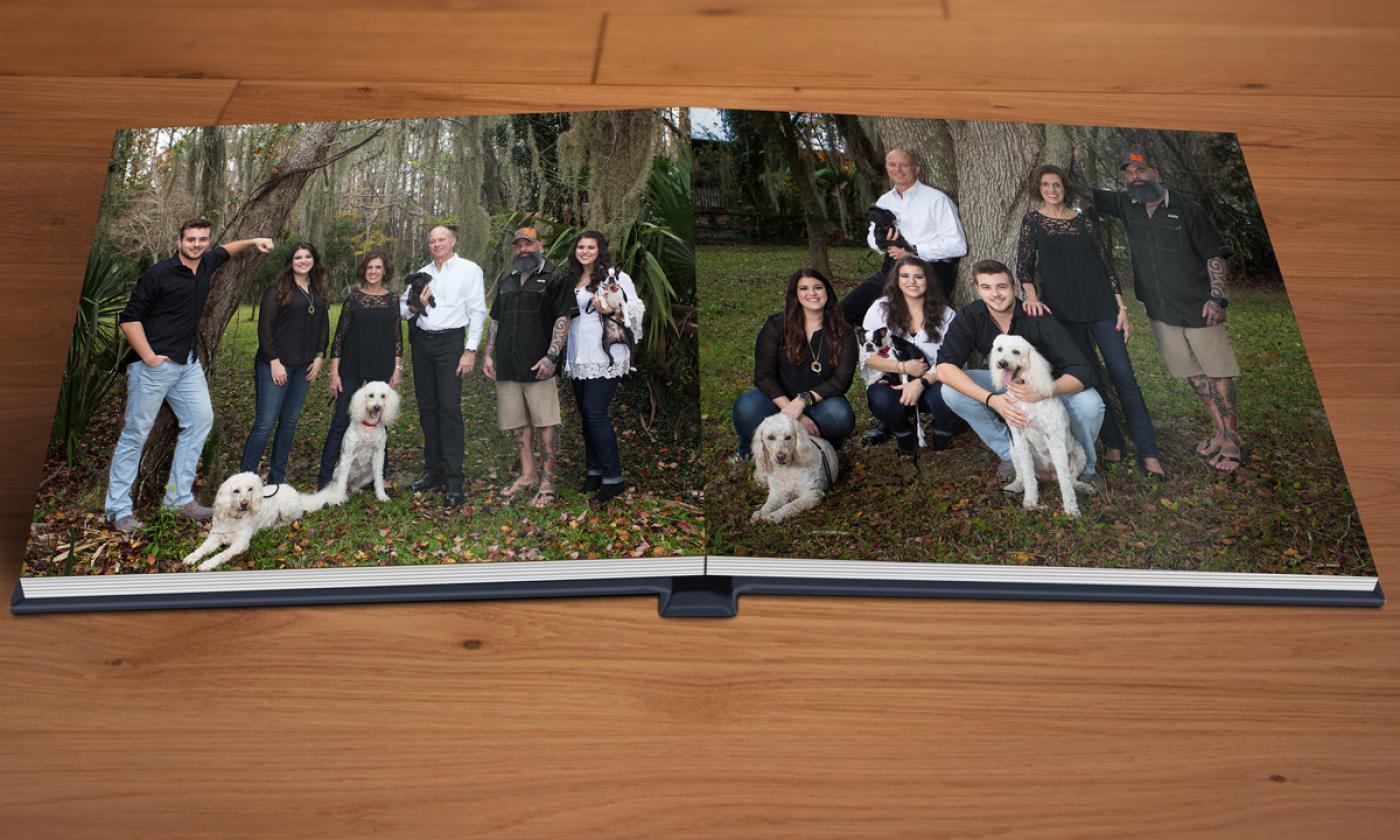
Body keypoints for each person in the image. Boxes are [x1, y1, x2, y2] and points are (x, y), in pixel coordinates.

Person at [104, 219, 275, 532]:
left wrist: (255, 240)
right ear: (180, 241)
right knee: (135, 435)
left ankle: (177, 499)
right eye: (190, 239)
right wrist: (149, 357)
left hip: (187, 365)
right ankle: (118, 509)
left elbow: (228, 250)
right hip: (152, 367)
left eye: (202, 239)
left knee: (199, 421)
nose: (196, 244)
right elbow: (130, 320)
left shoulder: (208, 262)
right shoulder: (158, 274)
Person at [1082, 148, 1244, 472]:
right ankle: (1218, 432)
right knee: (1195, 377)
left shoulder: (1187, 210)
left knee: (1217, 373)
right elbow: (1082, 191)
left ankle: (1233, 441)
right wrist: (1074, 155)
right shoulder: (1127, 205)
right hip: (1160, 312)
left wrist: (1217, 298)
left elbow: (1214, 255)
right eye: (1128, 172)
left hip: (1199, 309)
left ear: (1156, 172)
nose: (1134, 177)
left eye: (1140, 171)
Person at [1015, 163, 1167, 479]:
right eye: (1046, 185)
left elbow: (1107, 266)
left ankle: (1149, 452)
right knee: (1090, 377)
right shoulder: (1033, 222)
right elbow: (1024, 267)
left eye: (1057, 184)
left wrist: (1121, 308)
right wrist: (1030, 296)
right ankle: (1113, 441)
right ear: (1039, 189)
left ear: (1065, 188)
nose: (1052, 189)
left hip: (1101, 310)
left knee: (1124, 377)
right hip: (1062, 315)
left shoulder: (1084, 222)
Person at [935, 259, 1107, 492]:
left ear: (1014, 288)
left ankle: (1084, 470)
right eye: (986, 287)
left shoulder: (1036, 315)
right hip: (1004, 385)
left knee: (1091, 404)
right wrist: (991, 399)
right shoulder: (971, 316)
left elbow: (1082, 370)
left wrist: (1044, 390)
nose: (995, 294)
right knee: (951, 390)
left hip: (1048, 387)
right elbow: (944, 367)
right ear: (977, 289)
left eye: (1001, 286)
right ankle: (1012, 454)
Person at [839, 148, 968, 446]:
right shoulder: (884, 201)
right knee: (842, 313)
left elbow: (957, 244)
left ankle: (930, 399)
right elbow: (873, 237)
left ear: (917, 168)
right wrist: (886, 245)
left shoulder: (936, 200)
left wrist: (913, 250)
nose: (898, 170)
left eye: (904, 165)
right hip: (893, 269)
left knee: (919, 330)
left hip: (930, 271)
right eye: (892, 165)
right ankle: (883, 392)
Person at [482, 227, 578, 508]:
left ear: (540, 244)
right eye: (518, 245)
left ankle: (547, 483)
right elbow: (496, 319)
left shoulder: (556, 277)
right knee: (517, 423)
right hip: (507, 364)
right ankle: (527, 475)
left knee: (545, 423)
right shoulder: (508, 279)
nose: (523, 249)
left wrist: (551, 357)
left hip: (539, 365)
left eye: (529, 243)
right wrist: (488, 354)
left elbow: (563, 319)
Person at [400, 225, 487, 508]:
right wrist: (415, 306)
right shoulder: (422, 273)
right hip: (422, 344)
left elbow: (477, 310)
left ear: (453, 241)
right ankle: (432, 471)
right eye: (432, 241)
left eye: (442, 239)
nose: (436, 244)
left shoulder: (469, 270)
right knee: (427, 408)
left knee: (449, 410)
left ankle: (453, 479)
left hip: (451, 343)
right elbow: (403, 310)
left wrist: (470, 349)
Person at [732, 268, 857, 460]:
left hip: (820, 400)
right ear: (796, 295)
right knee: (747, 408)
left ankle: (823, 450)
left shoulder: (843, 331)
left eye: (818, 287)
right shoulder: (776, 325)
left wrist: (802, 401)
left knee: (839, 415)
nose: (812, 293)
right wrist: (793, 413)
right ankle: (747, 450)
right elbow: (764, 376)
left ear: (828, 292)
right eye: (804, 288)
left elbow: (841, 381)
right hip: (778, 399)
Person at [562, 231, 646, 508]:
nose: (584, 251)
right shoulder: (572, 277)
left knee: (596, 414)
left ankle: (614, 479)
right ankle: (594, 472)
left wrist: (609, 310)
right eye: (580, 247)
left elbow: (636, 310)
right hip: (578, 353)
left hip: (605, 352)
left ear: (601, 250)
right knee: (587, 416)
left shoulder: (614, 276)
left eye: (591, 247)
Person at [239, 242, 330, 485]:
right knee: (265, 423)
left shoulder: (317, 289)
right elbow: (265, 329)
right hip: (275, 365)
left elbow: (323, 325)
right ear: (291, 261)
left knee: (289, 423)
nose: (303, 261)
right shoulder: (277, 290)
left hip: (304, 367)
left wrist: (320, 356)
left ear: (314, 260)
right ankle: (244, 480)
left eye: (307, 256)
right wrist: (274, 361)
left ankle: (277, 480)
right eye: (298, 257)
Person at [860, 256, 958, 473]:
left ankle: (943, 433)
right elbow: (867, 356)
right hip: (894, 380)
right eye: (905, 276)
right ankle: (904, 434)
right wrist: (904, 369)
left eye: (918, 276)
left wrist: (920, 382)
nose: (911, 281)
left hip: (933, 380)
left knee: (950, 391)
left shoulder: (946, 314)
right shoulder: (880, 309)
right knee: (880, 397)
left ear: (928, 280)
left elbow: (951, 358)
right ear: (896, 280)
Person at [317, 249, 403, 490]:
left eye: (378, 267)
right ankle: (325, 478)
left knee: (379, 419)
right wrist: (334, 372)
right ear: (363, 271)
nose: (373, 272)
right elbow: (339, 337)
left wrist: (396, 368)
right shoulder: (354, 298)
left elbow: (397, 336)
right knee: (341, 419)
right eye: (369, 268)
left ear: (384, 270)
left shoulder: (392, 299)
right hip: (352, 364)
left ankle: (378, 476)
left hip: (382, 364)